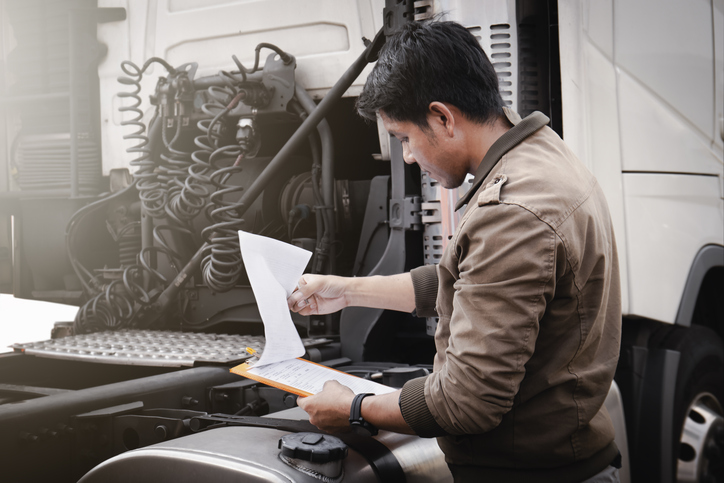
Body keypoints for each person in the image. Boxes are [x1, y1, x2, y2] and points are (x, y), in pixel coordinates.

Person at [287, 20, 621, 483]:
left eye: (405, 138)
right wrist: (345, 291)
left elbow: (465, 403)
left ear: (443, 117)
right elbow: (467, 280)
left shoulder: (513, 211)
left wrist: (355, 409)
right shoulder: (543, 156)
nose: (407, 156)